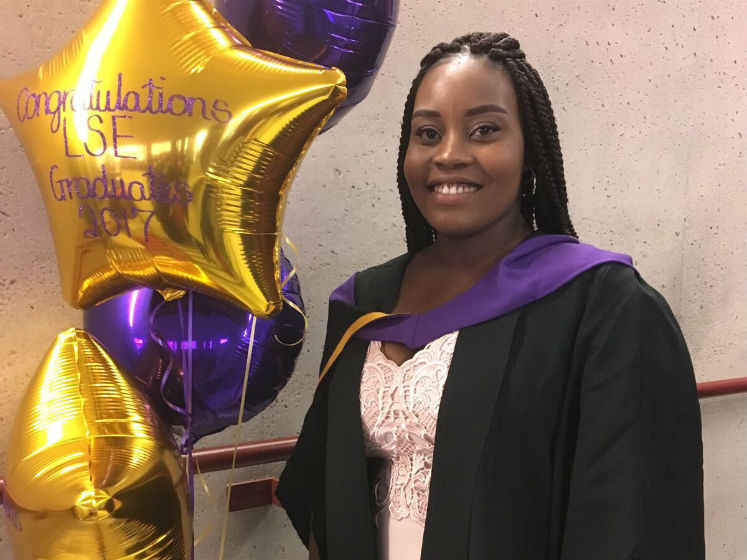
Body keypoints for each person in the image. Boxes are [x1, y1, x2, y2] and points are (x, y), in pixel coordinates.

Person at [276, 32, 704, 560]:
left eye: (484, 130)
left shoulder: (604, 307)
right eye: (428, 133)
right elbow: (326, 487)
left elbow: (634, 519)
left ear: (530, 151)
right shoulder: (364, 303)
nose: (450, 155)